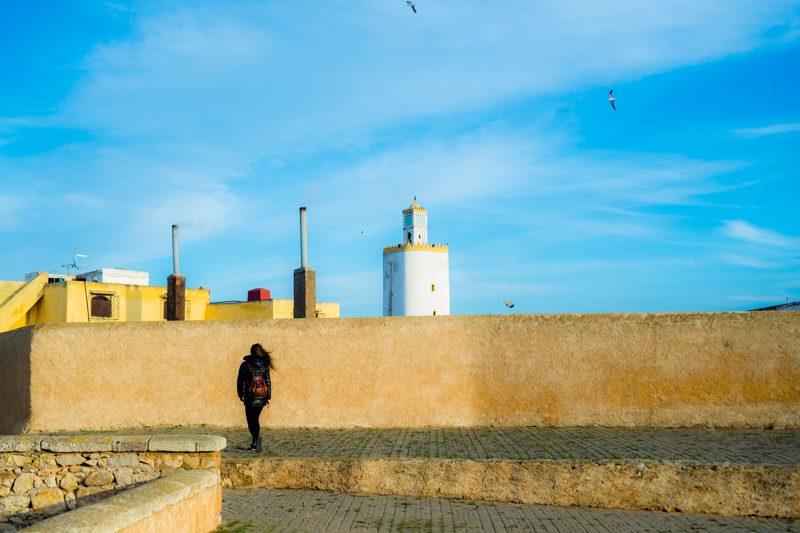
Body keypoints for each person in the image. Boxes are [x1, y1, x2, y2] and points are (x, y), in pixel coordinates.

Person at [237, 343, 274, 453]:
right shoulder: (264, 365)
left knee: (251, 421)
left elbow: (240, 381)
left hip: (249, 396)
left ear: (251, 352)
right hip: (262, 396)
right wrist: (268, 397)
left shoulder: (245, 365)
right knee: (255, 419)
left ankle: (256, 437)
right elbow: (268, 382)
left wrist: (240, 394)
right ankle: (254, 442)